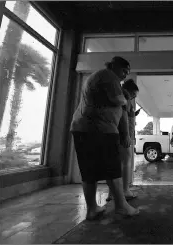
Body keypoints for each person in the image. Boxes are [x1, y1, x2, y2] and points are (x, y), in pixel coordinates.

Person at [70, 56, 139, 220]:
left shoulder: (101, 77)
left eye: (127, 72)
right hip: (99, 129)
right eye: (123, 70)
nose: (124, 75)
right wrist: (126, 97)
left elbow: (118, 106)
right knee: (113, 168)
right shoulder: (108, 76)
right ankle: (121, 206)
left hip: (85, 128)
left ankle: (92, 209)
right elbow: (118, 100)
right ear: (113, 66)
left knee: (89, 171)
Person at [106, 79, 140, 202]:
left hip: (112, 133)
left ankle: (111, 193)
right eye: (133, 95)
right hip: (122, 135)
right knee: (126, 161)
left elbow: (125, 115)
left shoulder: (119, 98)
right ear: (128, 91)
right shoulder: (124, 97)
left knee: (114, 163)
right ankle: (125, 190)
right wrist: (126, 135)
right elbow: (123, 117)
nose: (133, 98)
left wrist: (133, 114)